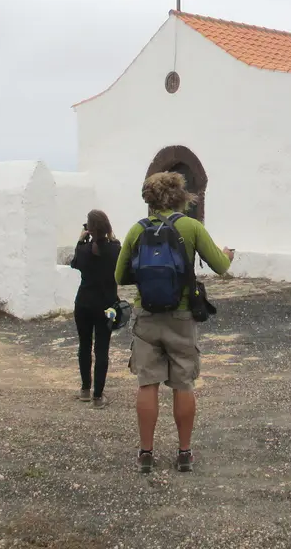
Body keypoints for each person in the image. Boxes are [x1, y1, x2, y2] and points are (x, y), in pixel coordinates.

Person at [115, 172, 234, 473]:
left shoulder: (136, 231)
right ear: (181, 195)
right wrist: (227, 255)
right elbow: (220, 267)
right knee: (183, 383)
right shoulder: (191, 226)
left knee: (148, 383)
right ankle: (183, 453)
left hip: (147, 316)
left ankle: (145, 453)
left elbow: (119, 276)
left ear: (150, 199)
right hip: (182, 316)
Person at [69, 209, 122, 409]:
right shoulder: (115, 248)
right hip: (106, 306)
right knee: (102, 349)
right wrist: (111, 237)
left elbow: (75, 264)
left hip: (83, 303)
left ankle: (84, 389)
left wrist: (80, 241)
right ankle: (98, 396)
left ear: (89, 230)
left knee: (84, 346)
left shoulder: (83, 250)